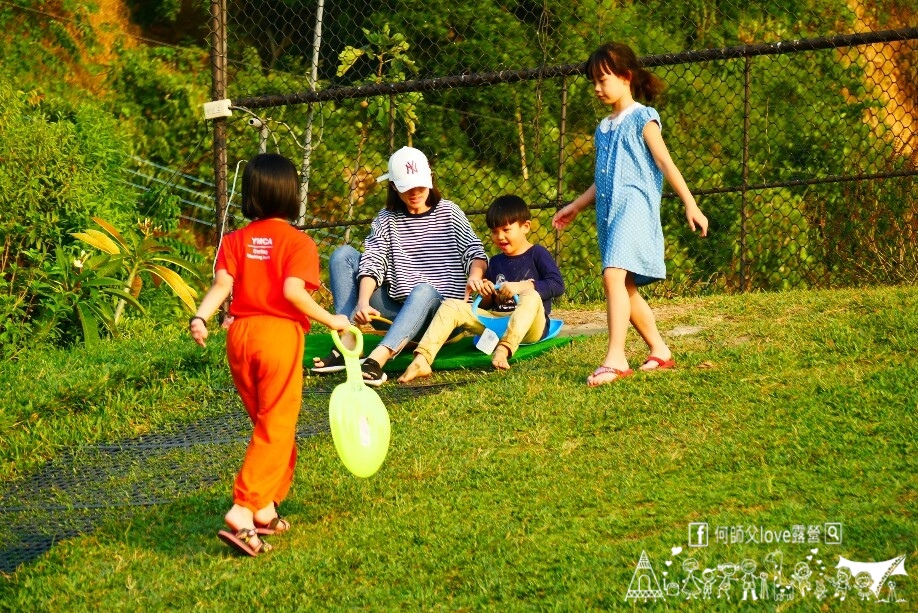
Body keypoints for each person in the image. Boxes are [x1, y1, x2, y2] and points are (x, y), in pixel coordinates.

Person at [189, 153, 349, 556]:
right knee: (275, 427)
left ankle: (264, 507)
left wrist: (201, 316)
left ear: (251, 196)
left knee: (271, 425)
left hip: (239, 338)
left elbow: (223, 284)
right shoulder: (299, 243)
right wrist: (332, 319)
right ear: (292, 195)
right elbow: (294, 293)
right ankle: (243, 508)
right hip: (278, 336)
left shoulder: (235, 241)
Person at [552, 41, 708, 387]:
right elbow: (603, 178)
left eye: (603, 79)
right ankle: (660, 350)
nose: (596, 88)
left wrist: (690, 203)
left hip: (636, 208)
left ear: (625, 77)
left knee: (612, 275)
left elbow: (666, 163)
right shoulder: (603, 128)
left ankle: (616, 358)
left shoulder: (643, 118)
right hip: (610, 212)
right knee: (625, 285)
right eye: (592, 81)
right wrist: (576, 205)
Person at [311, 146, 488, 385]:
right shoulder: (387, 218)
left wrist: (475, 275)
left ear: (430, 180)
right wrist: (363, 303)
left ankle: (377, 361)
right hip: (395, 311)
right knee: (343, 255)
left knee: (424, 290)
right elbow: (374, 261)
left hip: (440, 319)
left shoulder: (449, 212)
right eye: (407, 188)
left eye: (420, 186)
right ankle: (348, 344)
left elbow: (473, 251)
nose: (415, 193)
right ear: (394, 187)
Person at [399, 195, 564, 382]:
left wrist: (522, 287)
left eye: (506, 229)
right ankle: (422, 359)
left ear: (525, 227)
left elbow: (557, 285)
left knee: (531, 295)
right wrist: (487, 293)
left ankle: (504, 349)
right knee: (452, 305)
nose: (500, 236)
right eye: (494, 231)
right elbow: (486, 306)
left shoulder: (537, 253)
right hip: (498, 325)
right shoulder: (495, 261)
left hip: (531, 327)